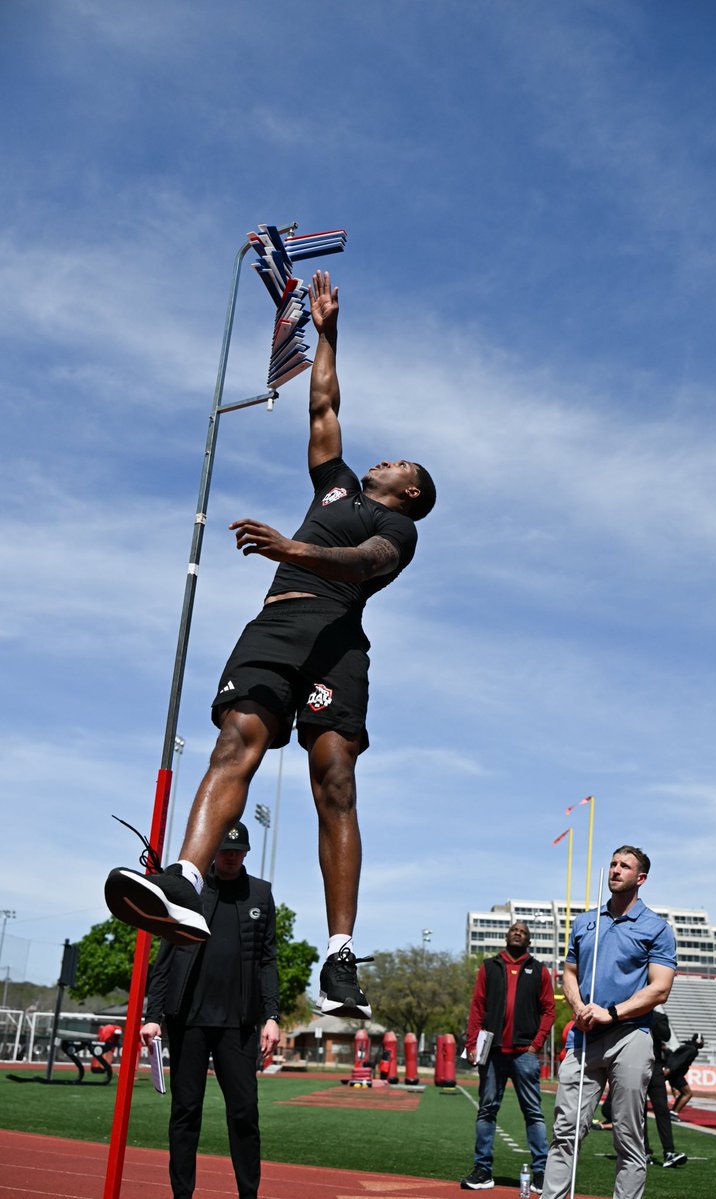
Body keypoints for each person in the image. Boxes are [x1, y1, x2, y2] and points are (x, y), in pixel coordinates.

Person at [106, 270, 436, 1019]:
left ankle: (339, 957)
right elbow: (324, 404)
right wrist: (327, 333)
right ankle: (184, 881)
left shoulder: (397, 528)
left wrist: (292, 547)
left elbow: (364, 564)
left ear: (411, 491)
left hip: (334, 642)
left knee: (334, 781)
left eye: (399, 463)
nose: (384, 458)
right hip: (273, 631)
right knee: (235, 743)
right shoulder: (336, 485)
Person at [140, 822, 280, 1199]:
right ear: (214, 851)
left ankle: (248, 1194)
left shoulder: (261, 894)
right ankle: (181, 1194)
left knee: (244, 1113)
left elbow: (268, 960)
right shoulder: (191, 891)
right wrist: (153, 1017)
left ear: (246, 854)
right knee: (185, 1112)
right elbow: (165, 957)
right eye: (225, 850)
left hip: (239, 1023)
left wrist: (272, 1016)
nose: (231, 857)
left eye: (238, 851)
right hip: (188, 1021)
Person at [539, 845, 677, 1199]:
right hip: (585, 1037)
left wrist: (611, 1012)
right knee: (566, 1130)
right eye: (613, 863)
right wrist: (579, 1007)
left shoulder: (656, 928)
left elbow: (660, 988)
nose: (615, 870)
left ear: (640, 878)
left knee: (627, 1134)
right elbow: (570, 972)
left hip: (630, 1035)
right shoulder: (586, 922)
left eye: (624, 866)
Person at [460, 921, 555, 1192]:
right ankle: (482, 1171)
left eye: (523, 932)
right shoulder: (489, 967)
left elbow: (549, 1010)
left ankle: (541, 1173)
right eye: (514, 930)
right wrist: (471, 1044)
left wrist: (535, 1045)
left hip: (524, 1053)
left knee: (533, 1113)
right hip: (492, 1053)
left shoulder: (539, 970)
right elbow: (478, 1006)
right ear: (506, 935)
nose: (518, 933)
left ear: (529, 941)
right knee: (487, 1110)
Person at [643, 1007, 687, 1168]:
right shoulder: (630, 1013)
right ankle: (643, 1151)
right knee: (639, 1111)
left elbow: (666, 1035)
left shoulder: (658, 1017)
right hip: (635, 1066)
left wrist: (651, 1016)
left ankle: (669, 1151)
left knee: (662, 1109)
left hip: (655, 1067)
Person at [663, 1031, 703, 1117]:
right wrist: (670, 1069)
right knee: (688, 1093)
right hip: (675, 1073)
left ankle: (673, 1111)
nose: (703, 1042)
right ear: (698, 1040)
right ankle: (674, 1113)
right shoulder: (692, 1049)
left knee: (684, 1093)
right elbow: (679, 1060)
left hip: (674, 1072)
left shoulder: (689, 1047)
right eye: (702, 1040)